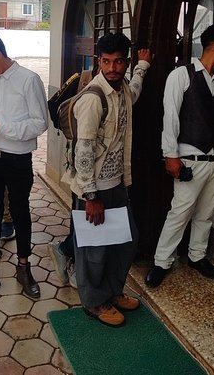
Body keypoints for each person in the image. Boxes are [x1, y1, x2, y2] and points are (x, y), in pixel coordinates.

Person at [67, 33, 151, 326]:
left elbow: (135, 93)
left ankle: (113, 292)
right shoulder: (93, 98)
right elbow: (84, 150)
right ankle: (94, 302)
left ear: (125, 62)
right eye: (106, 62)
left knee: (124, 243)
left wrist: (143, 66)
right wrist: (91, 197)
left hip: (117, 183)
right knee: (94, 250)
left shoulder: (124, 89)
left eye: (118, 61)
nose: (112, 68)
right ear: (98, 61)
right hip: (94, 190)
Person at [147, 24, 214, 288]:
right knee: (180, 212)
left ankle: (197, 256)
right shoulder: (181, 75)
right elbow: (170, 118)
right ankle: (162, 261)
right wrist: (170, 155)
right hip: (190, 159)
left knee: (206, 213)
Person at [0, 32, 49, 299]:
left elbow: (40, 123)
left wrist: (2, 127)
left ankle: (24, 267)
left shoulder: (29, 80)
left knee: (20, 212)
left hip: (18, 159)